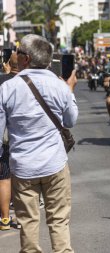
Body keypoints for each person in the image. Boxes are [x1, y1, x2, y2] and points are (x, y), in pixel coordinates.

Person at [0, 34, 78, 252]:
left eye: (17, 51)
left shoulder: (7, 88)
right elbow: (70, 120)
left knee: (28, 224)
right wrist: (70, 90)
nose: (14, 55)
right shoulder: (59, 85)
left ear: (25, 58)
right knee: (59, 221)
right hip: (55, 165)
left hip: (23, 168)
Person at [0, 52, 18, 231]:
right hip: (23, 138)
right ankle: (21, 218)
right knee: (21, 178)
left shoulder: (2, 81)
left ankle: (4, 219)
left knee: (4, 178)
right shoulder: (26, 82)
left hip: (3, 137)